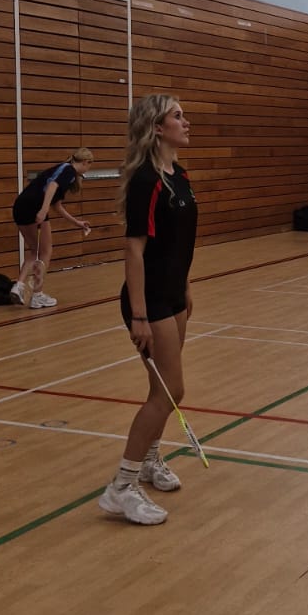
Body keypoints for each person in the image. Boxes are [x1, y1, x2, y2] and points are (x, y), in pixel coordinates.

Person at [99, 95, 197, 526]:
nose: (185, 122)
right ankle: (121, 487)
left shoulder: (180, 176)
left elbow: (178, 242)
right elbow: (134, 250)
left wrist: (186, 285)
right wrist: (138, 315)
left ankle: (151, 459)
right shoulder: (145, 180)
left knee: (164, 390)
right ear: (157, 128)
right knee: (170, 391)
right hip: (149, 301)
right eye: (177, 116)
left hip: (173, 295)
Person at [10, 147, 93, 308]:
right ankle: (37, 295)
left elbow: (57, 206)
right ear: (85, 162)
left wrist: (76, 222)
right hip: (35, 206)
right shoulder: (68, 170)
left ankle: (18, 286)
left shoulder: (61, 170)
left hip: (20, 206)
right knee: (46, 251)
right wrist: (43, 209)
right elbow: (52, 186)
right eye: (89, 166)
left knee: (35, 250)